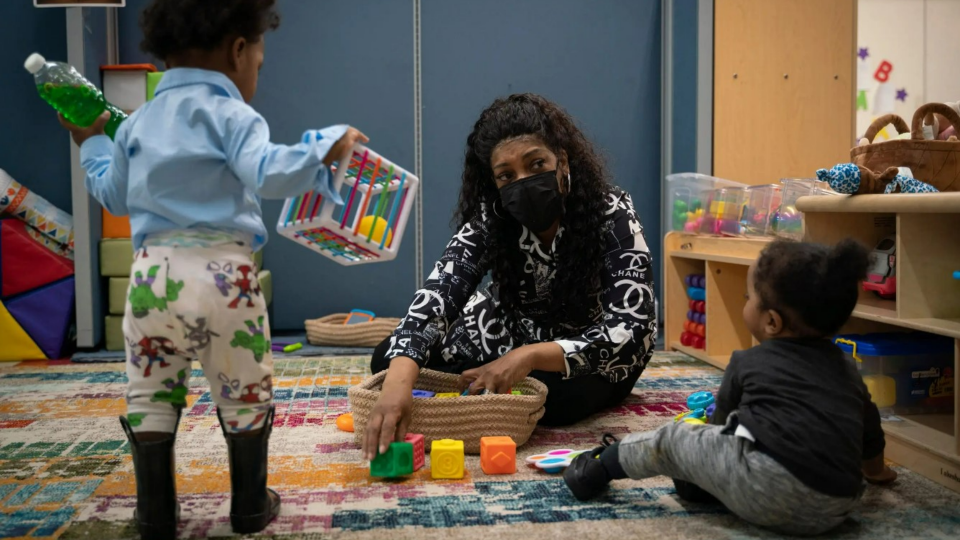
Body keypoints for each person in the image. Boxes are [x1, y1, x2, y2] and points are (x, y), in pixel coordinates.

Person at [57, 1, 367, 537]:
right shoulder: (233, 115)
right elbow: (268, 173)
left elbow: (112, 193)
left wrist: (92, 142)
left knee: (150, 393)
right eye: (258, 65)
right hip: (225, 278)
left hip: (152, 280)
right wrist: (325, 145)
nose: (255, 76)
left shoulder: (140, 122)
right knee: (244, 387)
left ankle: (155, 512)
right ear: (238, 50)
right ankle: (248, 504)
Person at [362, 94, 658, 460]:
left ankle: (486, 384)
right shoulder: (493, 218)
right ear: (495, 183)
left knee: (558, 402)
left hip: (585, 352)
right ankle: (490, 385)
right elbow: (440, 291)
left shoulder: (611, 213)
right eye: (507, 175)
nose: (523, 182)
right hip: (509, 334)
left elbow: (633, 326)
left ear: (562, 162)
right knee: (389, 362)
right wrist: (398, 385)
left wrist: (529, 356)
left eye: (536, 164)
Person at [563, 239, 898, 536]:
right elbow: (870, 434)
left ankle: (600, 466)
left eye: (748, 297)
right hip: (837, 506)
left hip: (769, 488)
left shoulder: (748, 361)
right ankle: (705, 486)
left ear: (771, 322)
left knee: (675, 440)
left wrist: (697, 454)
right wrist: (877, 472)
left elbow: (719, 432)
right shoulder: (848, 370)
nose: (745, 302)